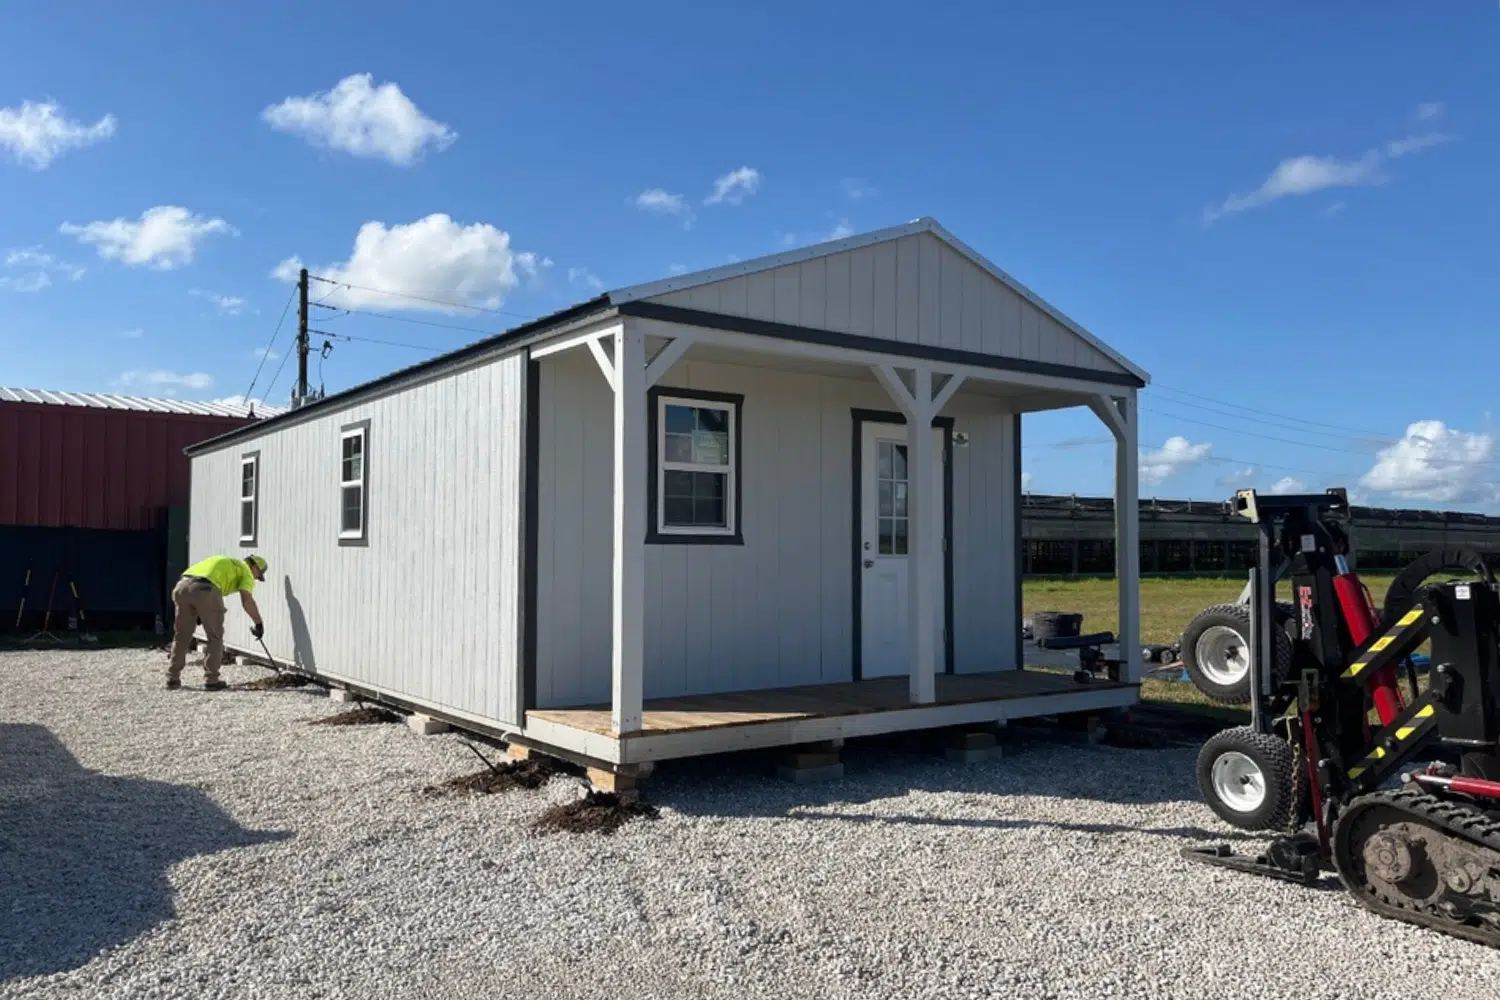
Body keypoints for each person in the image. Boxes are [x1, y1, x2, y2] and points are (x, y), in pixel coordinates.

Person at [167, 553, 267, 690]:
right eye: (258, 575)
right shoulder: (246, 571)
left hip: (181, 587)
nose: (255, 578)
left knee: (182, 635)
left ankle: (172, 678)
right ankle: (211, 679)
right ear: (254, 566)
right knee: (215, 637)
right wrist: (258, 623)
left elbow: (194, 584)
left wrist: (197, 609)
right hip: (206, 589)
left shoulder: (224, 560)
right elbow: (247, 600)